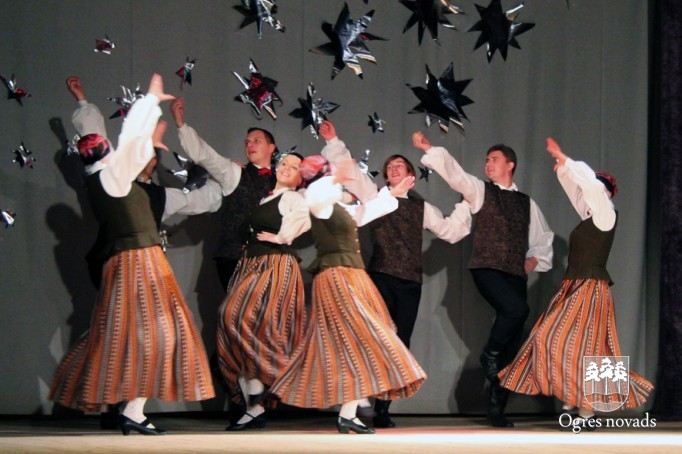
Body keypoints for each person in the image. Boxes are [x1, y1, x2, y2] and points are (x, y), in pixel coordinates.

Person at [49, 74, 215, 435]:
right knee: (157, 334)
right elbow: (124, 143)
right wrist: (150, 103)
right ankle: (131, 409)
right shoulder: (112, 178)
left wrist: (83, 101)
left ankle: (131, 409)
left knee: (136, 334)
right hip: (137, 261)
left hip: (137, 260)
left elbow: (103, 138)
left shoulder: (107, 178)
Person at [318, 121, 472, 427]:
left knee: (400, 342)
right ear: (387, 176)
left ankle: (383, 406)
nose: (394, 168)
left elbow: (450, 230)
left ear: (411, 176)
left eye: (400, 165)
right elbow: (351, 172)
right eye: (390, 167)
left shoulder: (421, 209)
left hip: (409, 282)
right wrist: (333, 140)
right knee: (374, 337)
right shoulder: (375, 196)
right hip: (379, 277)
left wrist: (468, 204)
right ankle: (360, 404)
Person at [498, 138, 654, 425]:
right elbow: (578, 193)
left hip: (591, 288)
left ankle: (586, 408)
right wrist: (563, 169)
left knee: (587, 348)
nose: (587, 194)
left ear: (606, 193)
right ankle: (575, 398)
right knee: (555, 340)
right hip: (575, 286)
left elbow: (591, 188)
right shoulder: (590, 216)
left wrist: (569, 162)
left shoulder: (606, 214)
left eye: (594, 190)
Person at [269, 153, 427, 435]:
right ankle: (346, 406)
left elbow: (363, 213)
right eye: (333, 171)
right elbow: (318, 194)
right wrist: (333, 177)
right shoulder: (319, 200)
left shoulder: (337, 206)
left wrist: (391, 194)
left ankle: (349, 413)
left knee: (361, 342)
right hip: (336, 276)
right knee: (361, 337)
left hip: (352, 274)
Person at [413, 132, 554, 428]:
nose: (488, 164)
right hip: (487, 268)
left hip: (514, 273)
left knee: (511, 344)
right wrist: (431, 149)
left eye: (494, 159)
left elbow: (543, 238)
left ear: (510, 165)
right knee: (517, 311)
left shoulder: (526, 203)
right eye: (487, 160)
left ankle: (496, 408)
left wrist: (531, 261)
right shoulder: (480, 191)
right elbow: (457, 176)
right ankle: (489, 354)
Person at [64, 76, 224, 288]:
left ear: (153, 161)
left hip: (146, 273)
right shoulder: (109, 179)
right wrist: (82, 100)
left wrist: (226, 176)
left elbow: (201, 200)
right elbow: (96, 139)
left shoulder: (158, 196)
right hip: (116, 269)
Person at [216, 151, 311, 431]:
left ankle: (258, 398)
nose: (286, 168)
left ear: (300, 177)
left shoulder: (293, 198)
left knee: (251, 322)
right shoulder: (265, 199)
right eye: (284, 163)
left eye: (294, 167)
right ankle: (253, 404)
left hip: (275, 263)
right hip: (251, 264)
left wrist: (281, 237)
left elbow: (303, 217)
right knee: (234, 320)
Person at [169, 97, 277, 291]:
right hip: (234, 258)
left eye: (256, 141)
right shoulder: (235, 173)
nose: (250, 145)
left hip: (271, 260)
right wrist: (181, 125)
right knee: (240, 308)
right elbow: (206, 156)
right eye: (247, 142)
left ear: (271, 148)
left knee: (269, 308)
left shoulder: (282, 181)